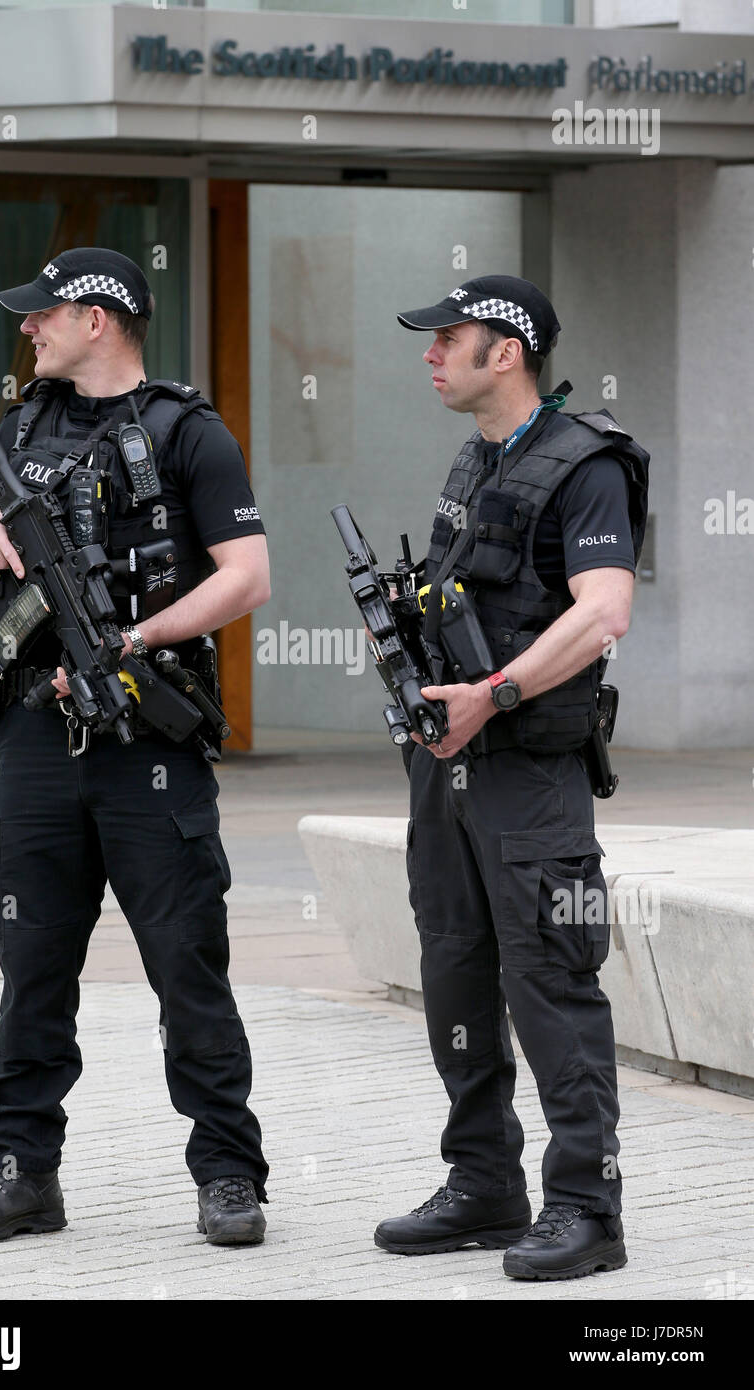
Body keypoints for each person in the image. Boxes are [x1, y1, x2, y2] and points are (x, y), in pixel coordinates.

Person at [0, 247, 271, 1247]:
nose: (29, 329)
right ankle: (20, 1170)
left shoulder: (187, 430)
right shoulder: (24, 426)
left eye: (45, 314)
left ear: (99, 319)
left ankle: (229, 1175)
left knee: (186, 963)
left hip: (144, 737)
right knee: (30, 963)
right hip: (39, 735)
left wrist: (139, 636)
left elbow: (246, 576)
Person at [373, 275, 648, 1281]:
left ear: (509, 352)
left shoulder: (587, 465)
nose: (431, 352)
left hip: (530, 777)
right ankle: (484, 1182)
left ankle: (587, 1206)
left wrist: (496, 688)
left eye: (451, 337)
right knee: (454, 971)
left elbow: (605, 609)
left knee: (550, 981)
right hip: (448, 772)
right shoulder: (480, 458)